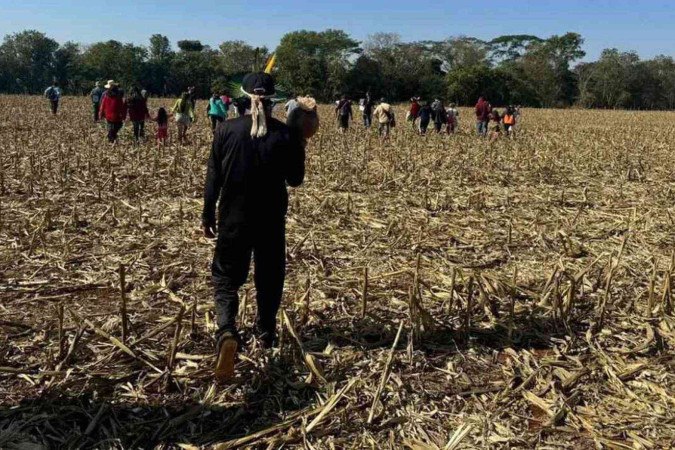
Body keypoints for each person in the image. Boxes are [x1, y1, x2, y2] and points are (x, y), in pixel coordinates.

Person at [202, 72, 315, 381]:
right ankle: (265, 334)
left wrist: (207, 213)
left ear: (244, 97)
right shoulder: (285, 134)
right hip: (270, 219)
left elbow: (214, 175)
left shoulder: (225, 130)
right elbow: (295, 180)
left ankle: (227, 332)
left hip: (232, 218)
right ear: (274, 101)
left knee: (226, 278)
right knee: (269, 276)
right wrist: (298, 141)